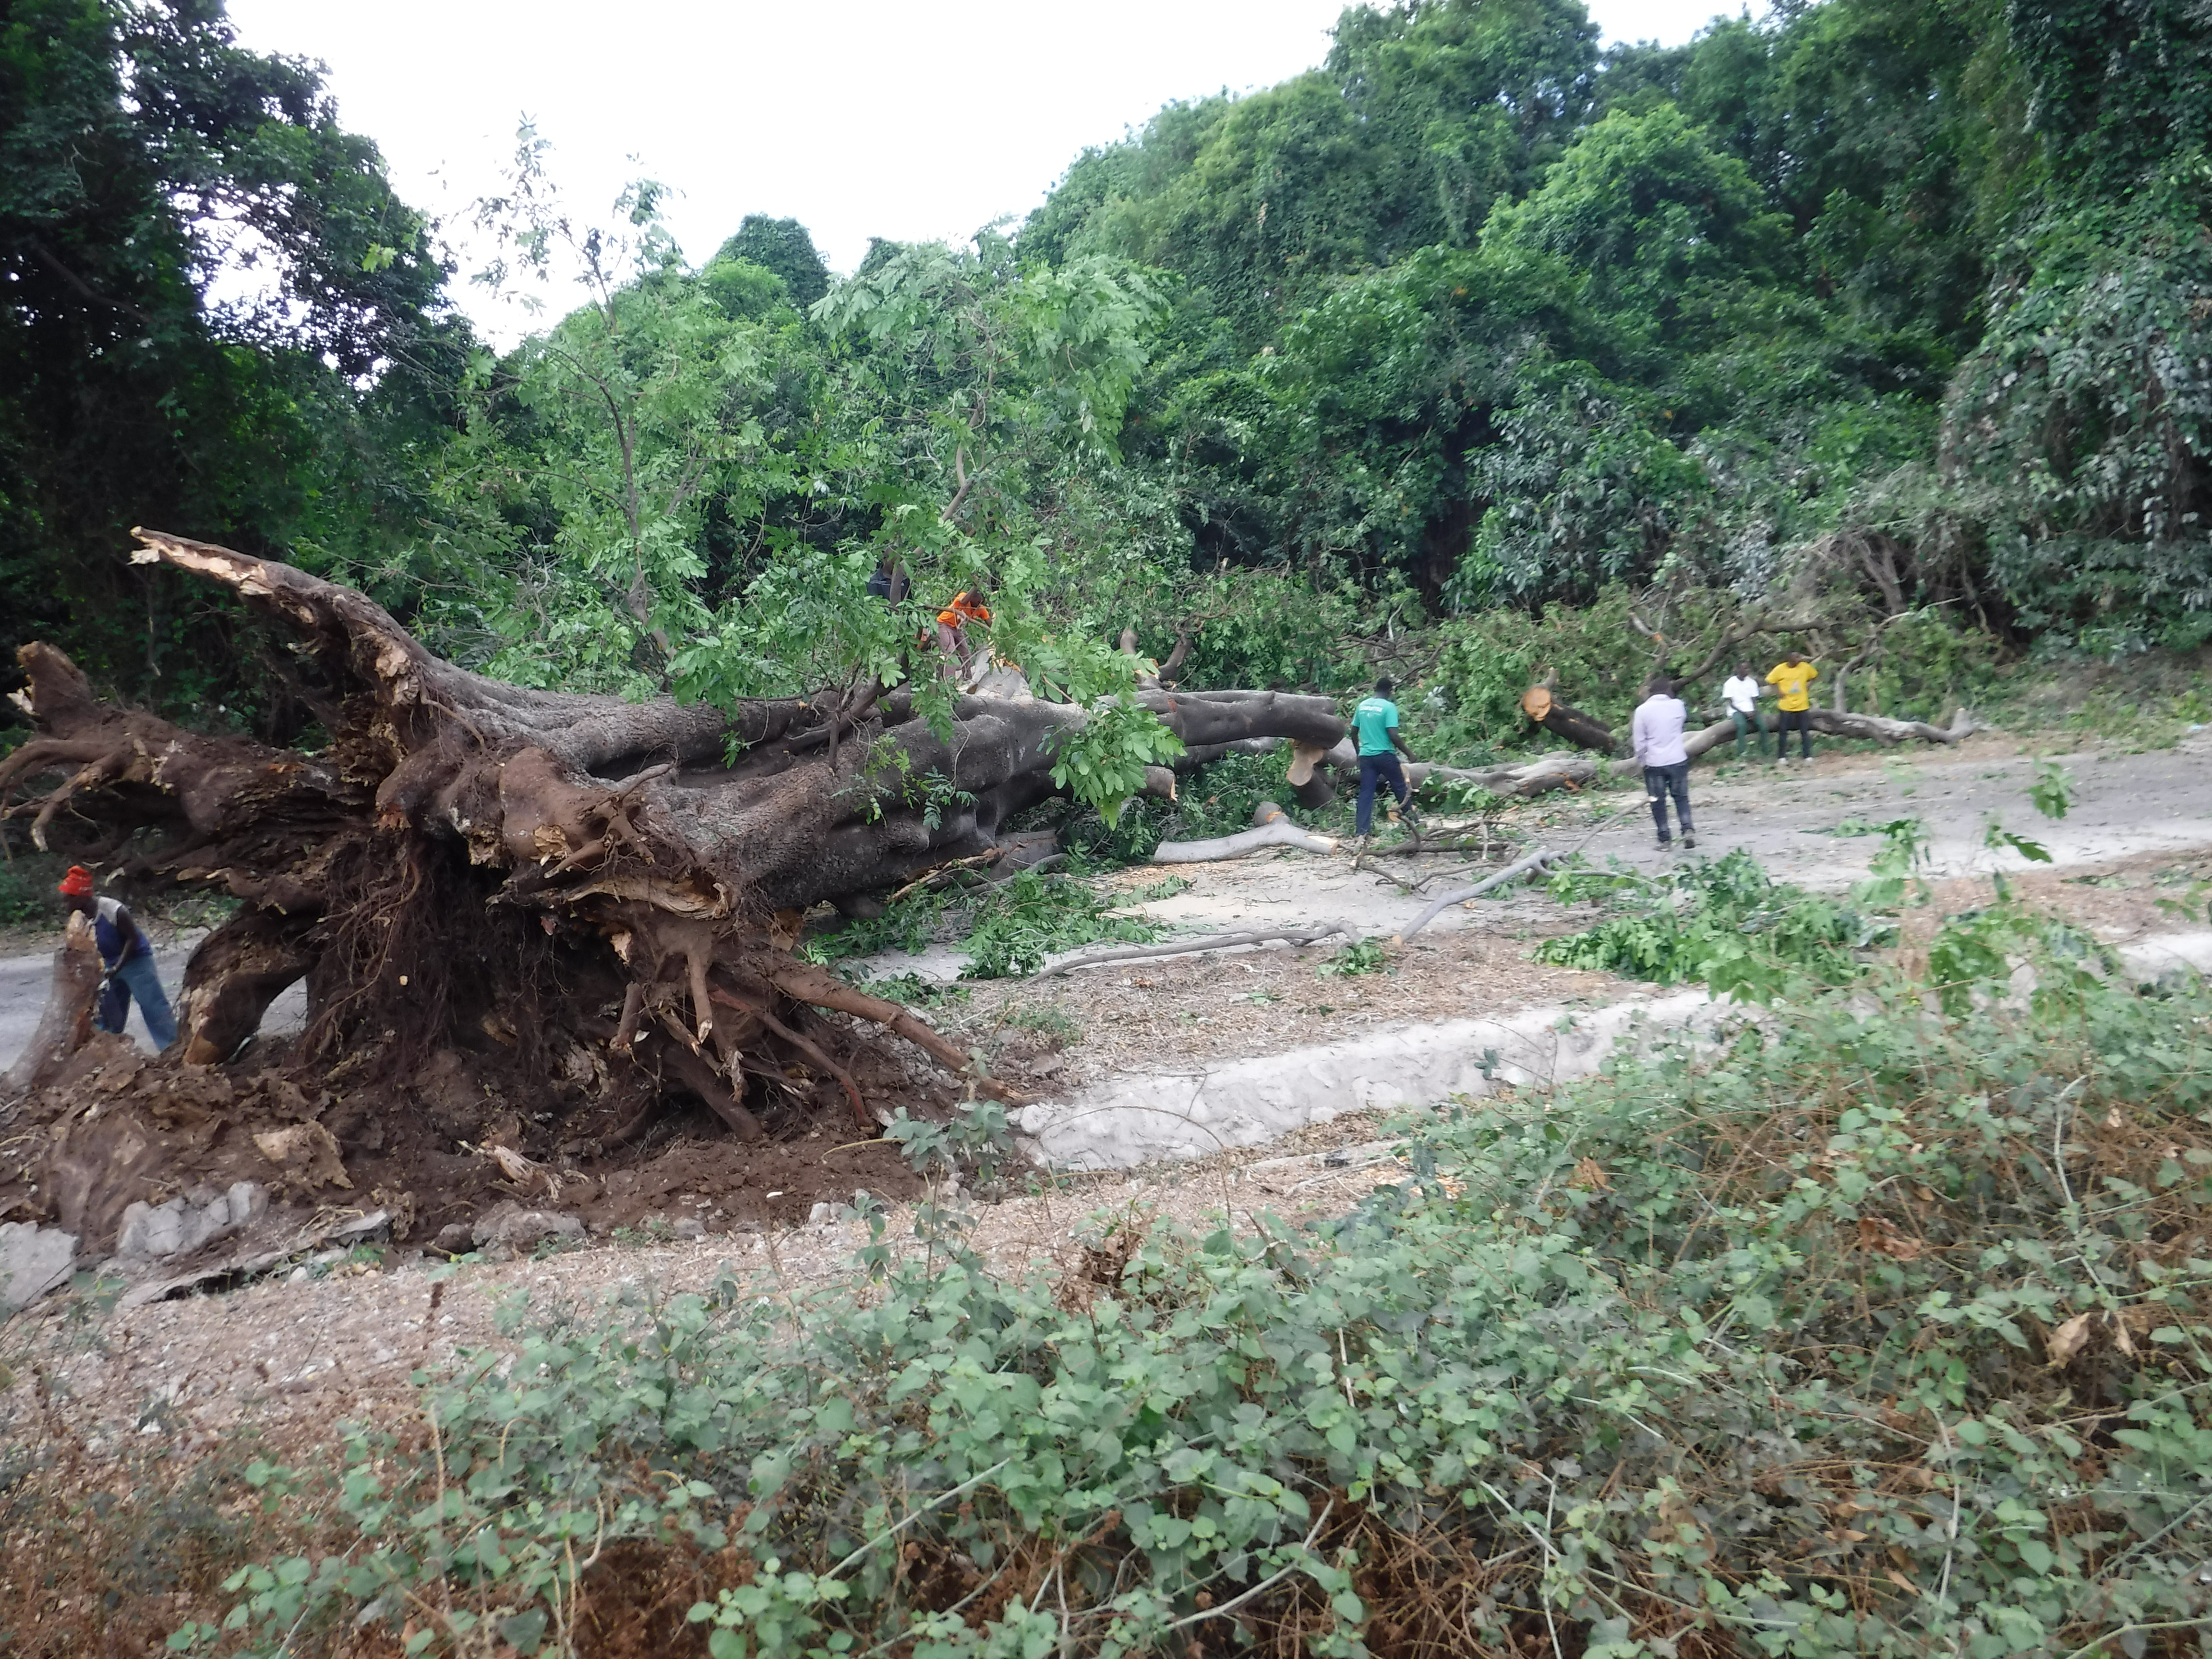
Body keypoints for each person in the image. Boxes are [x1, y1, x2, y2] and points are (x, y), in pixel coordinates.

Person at [56, 865, 176, 1050]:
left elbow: (133, 938)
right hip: (108, 964)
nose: (66, 905)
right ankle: (106, 1054)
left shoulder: (113, 910)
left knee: (153, 1007)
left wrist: (118, 967)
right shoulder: (80, 918)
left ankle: (171, 1048)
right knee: (108, 1015)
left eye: (68, 900)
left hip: (136, 961)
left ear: (81, 897)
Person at [1631, 674, 1696, 850]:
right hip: (1677, 759)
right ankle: (1687, 829)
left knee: (1658, 801)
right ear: (1668, 690)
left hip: (1654, 762)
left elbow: (1639, 741)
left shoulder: (1642, 711)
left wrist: (1642, 760)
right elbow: (1680, 725)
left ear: (1650, 693)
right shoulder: (1678, 706)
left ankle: (1665, 839)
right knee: (1681, 797)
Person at [1351, 676, 1421, 837]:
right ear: (1390, 691)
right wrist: (1410, 754)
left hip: (1367, 757)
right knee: (1400, 788)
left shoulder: (1362, 706)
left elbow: (1353, 732)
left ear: (1375, 689)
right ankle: (1414, 825)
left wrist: (1358, 753)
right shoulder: (1389, 708)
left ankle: (1362, 831)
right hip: (1385, 756)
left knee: (1366, 793)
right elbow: (1393, 735)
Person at [1765, 646, 1818, 764]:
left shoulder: (1805, 667)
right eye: (1796, 657)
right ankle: (1782, 757)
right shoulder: (1780, 669)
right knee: (1783, 731)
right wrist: (1778, 692)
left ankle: (1807, 755)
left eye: (1800, 656)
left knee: (1805, 730)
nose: (1800, 659)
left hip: (1802, 704)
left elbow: (1814, 676)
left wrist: (1809, 685)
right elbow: (1770, 681)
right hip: (1786, 705)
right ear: (1789, 659)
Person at [1720, 661, 1768, 759]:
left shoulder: (1752, 682)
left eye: (1748, 668)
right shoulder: (1730, 683)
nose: (1748, 670)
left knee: (1763, 727)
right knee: (1742, 726)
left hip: (1751, 710)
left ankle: (1765, 752)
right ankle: (1741, 754)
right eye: (1745, 668)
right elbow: (1731, 703)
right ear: (1738, 670)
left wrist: (1754, 711)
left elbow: (1754, 700)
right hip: (1736, 710)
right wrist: (1744, 713)